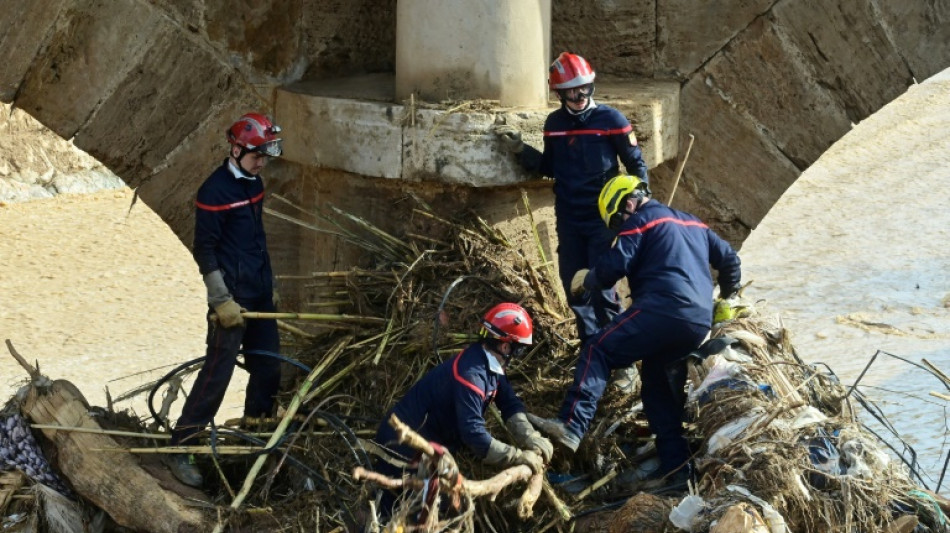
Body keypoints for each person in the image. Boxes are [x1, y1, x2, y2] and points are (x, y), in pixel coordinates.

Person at [532, 174, 741, 490]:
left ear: (628, 202)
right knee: (656, 389)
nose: (618, 229)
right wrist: (728, 297)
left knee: (597, 350)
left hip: (662, 308)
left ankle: (571, 425)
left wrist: (589, 279)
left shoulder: (641, 219)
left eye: (617, 221)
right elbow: (730, 260)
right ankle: (678, 472)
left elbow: (617, 263)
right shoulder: (693, 223)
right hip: (697, 322)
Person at [164, 112, 284, 487]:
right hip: (231, 302)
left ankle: (257, 436)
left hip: (259, 296)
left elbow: (256, 240)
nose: (261, 161)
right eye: (256, 155)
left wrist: (269, 284)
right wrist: (220, 301)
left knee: (269, 369)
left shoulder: (254, 184)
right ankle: (181, 445)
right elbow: (206, 249)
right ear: (235, 150)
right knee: (217, 376)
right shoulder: (214, 193)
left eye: (265, 155)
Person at [495, 52, 650, 342]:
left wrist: (640, 201)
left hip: (602, 219)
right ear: (559, 93)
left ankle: (620, 361)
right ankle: (591, 352)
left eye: (584, 88)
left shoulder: (611, 119)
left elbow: (636, 165)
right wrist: (520, 150)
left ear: (592, 86)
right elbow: (550, 168)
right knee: (575, 289)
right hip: (568, 218)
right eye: (570, 91)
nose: (578, 96)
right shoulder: (554, 124)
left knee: (602, 287)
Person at [373, 303, 553, 517]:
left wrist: (530, 437)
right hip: (403, 449)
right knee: (415, 516)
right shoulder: (472, 376)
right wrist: (516, 456)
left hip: (428, 450)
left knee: (444, 508)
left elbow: (509, 403)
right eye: (519, 348)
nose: (518, 354)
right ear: (505, 346)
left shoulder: (489, 364)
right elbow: (474, 434)